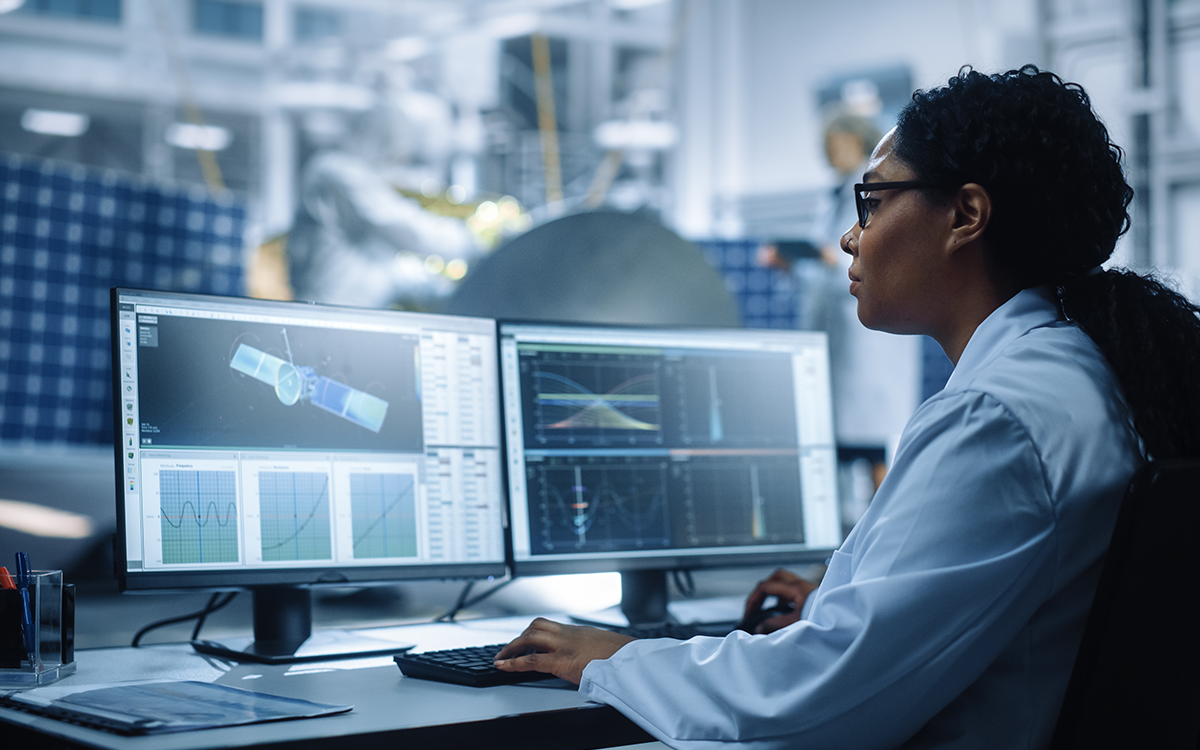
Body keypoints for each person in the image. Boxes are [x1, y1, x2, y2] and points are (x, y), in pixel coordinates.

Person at [494, 65, 1200, 748]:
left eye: (875, 201)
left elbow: (813, 700)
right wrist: (851, 603)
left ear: (965, 215)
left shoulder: (999, 416)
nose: (850, 235)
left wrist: (614, 659)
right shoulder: (1083, 371)